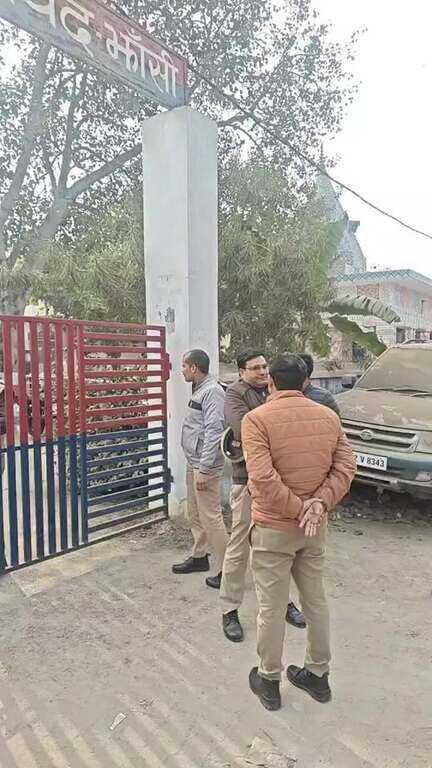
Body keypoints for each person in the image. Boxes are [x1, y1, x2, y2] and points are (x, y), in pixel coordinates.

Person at [242, 354, 356, 711]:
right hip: (313, 528)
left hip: (274, 527)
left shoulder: (256, 420)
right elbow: (346, 466)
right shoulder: (328, 417)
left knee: (271, 607)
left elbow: (262, 478)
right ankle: (318, 675)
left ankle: (269, 680)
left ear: (271, 382)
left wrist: (299, 508)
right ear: (305, 381)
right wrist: (318, 504)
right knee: (315, 601)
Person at [220, 350, 306, 643]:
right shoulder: (235, 393)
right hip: (247, 480)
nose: (261, 371)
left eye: (264, 366)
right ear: (241, 372)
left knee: (278, 548)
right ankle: (229, 609)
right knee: (239, 545)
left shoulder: (276, 389)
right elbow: (242, 428)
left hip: (279, 482)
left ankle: (284, 602)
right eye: (254, 367)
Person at [172, 349, 228, 588]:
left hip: (205, 466)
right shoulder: (200, 388)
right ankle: (199, 556)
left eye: (184, 366)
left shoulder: (212, 391)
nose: (182, 370)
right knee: (195, 513)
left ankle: (228, 570)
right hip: (194, 462)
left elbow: (214, 430)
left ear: (194, 368)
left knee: (211, 517)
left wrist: (204, 469)